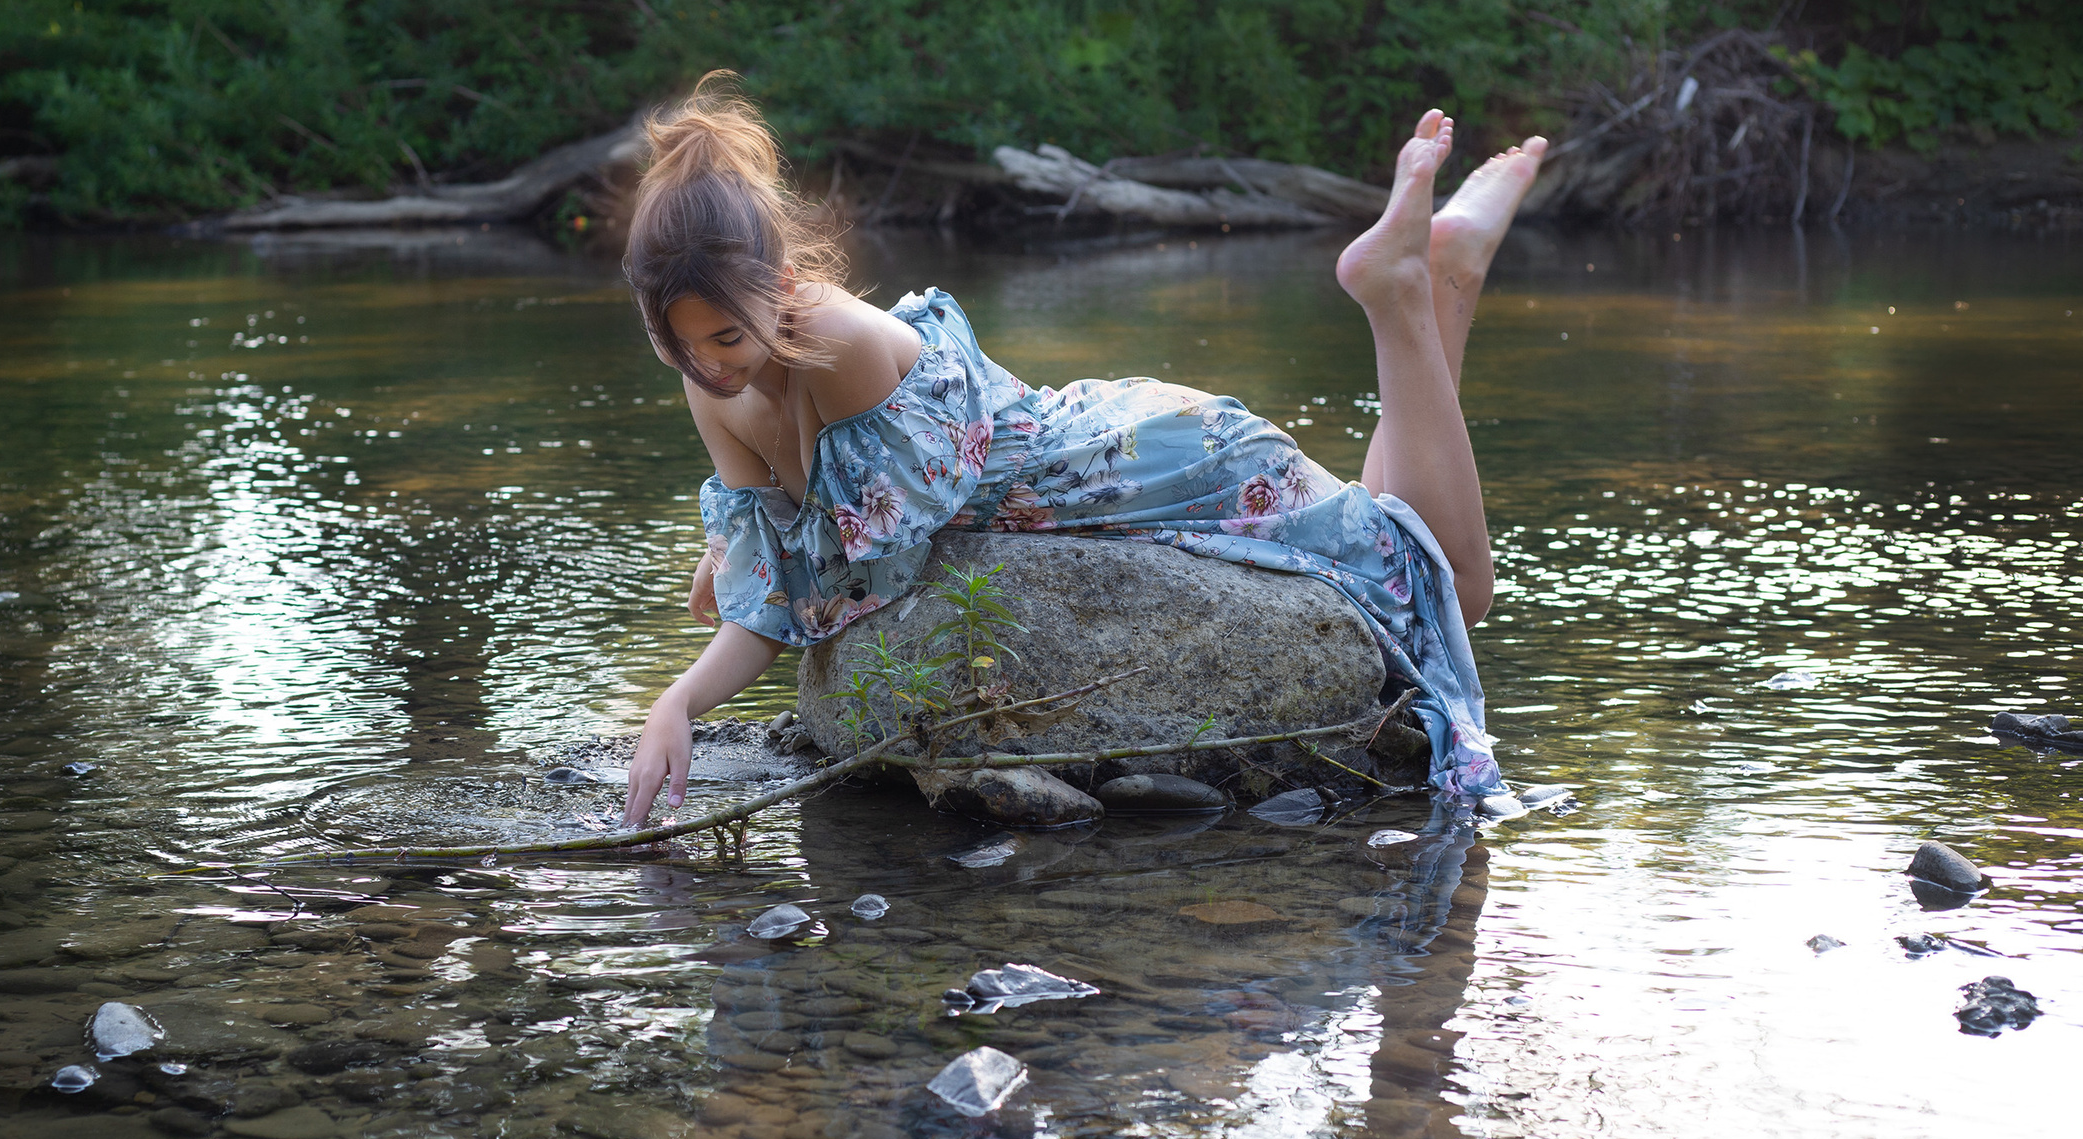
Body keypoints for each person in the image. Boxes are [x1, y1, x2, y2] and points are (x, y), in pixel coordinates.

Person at [619, 75, 1543, 826]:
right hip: (1110, 469)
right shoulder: (711, 385)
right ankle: (1442, 274)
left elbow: (859, 577)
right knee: (1389, 542)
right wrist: (681, 695)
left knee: (1453, 587)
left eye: (727, 340)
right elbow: (771, 584)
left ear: (778, 287)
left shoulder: (839, 342)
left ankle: (1398, 291)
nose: (709, 367)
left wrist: (758, 565)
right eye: (679, 345)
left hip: (1156, 463)